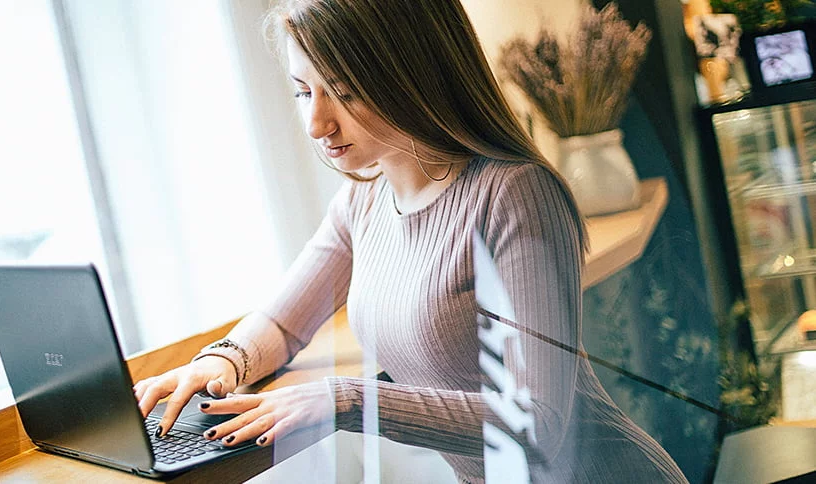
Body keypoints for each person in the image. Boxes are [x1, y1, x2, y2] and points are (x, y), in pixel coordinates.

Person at [134, 0, 688, 482]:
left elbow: (535, 421)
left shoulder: (516, 194)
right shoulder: (364, 203)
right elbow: (281, 323)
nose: (315, 123)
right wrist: (222, 363)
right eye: (304, 91)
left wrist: (344, 399)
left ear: (413, 75)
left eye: (345, 93)